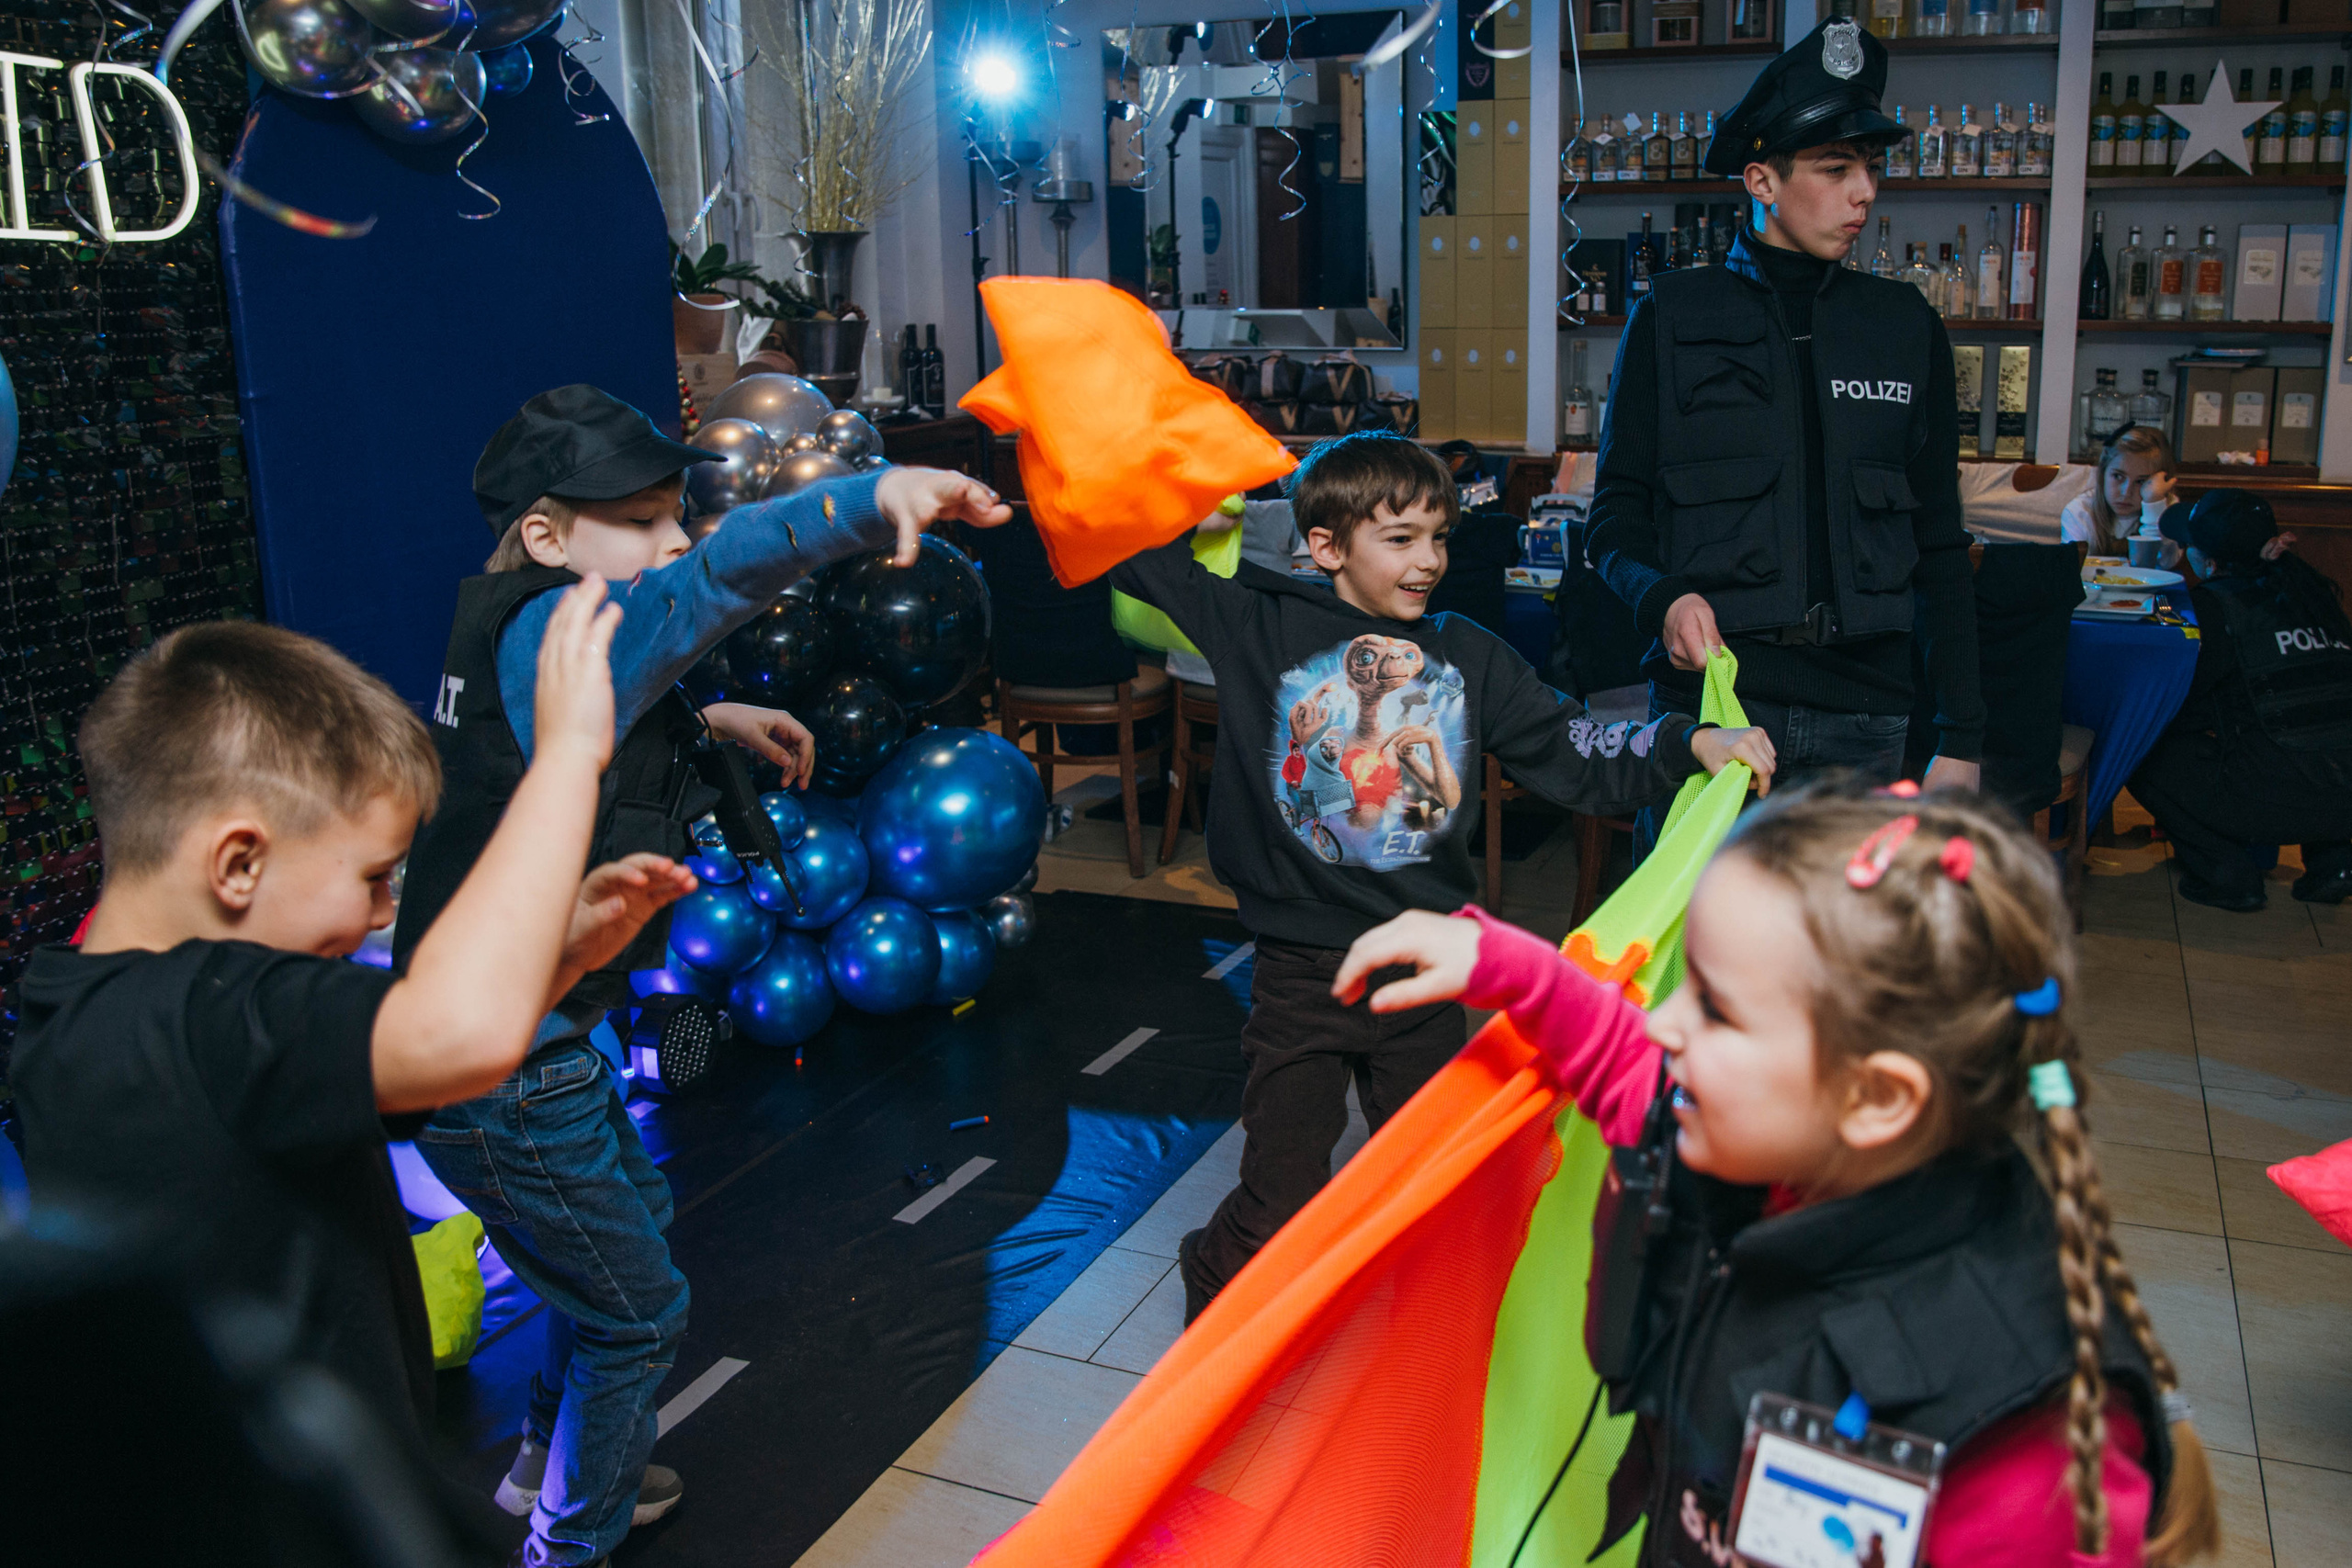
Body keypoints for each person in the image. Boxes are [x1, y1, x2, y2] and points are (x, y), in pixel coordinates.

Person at [392, 384, 1009, 1567]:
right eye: (640, 520)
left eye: (675, 511)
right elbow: (723, 572)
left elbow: (570, 724)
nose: (673, 537)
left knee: (622, 1246)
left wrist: (709, 718)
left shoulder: (522, 626)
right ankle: (570, 1542)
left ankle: (544, 1463)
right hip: (510, 1071)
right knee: (638, 1313)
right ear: (545, 534)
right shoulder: (564, 626)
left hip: (520, 1041)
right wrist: (874, 494)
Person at [1333, 784, 2222, 1568]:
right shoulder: (1762, 1144)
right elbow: (1626, 1061)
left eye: (1716, 1008)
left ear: (1875, 1096)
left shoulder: (2025, 1452)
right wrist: (1504, 964)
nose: (1666, 1023)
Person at [7, 590, 693, 1466]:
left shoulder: (89, 1009)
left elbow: (434, 1065)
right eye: (372, 877)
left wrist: (552, 960)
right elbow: (460, 1035)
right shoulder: (209, 1013)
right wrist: (565, 760)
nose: (380, 912)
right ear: (238, 862)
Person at [1105, 430, 1776, 1322]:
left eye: (1438, 537)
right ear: (1326, 546)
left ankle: (1415, 1340)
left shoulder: (1470, 655)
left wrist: (1688, 741)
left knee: (1430, 1185)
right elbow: (1133, 559)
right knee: (1282, 1201)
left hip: (1427, 973)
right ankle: (1214, 1296)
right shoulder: (1260, 623)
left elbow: (1573, 749)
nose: (1428, 560)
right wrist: (1183, 488)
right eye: (1400, 538)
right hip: (1301, 975)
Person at [1585, 17, 1984, 859]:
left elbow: (1941, 544)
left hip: (1867, 724)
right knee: (1696, 936)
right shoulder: (1672, 314)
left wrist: (1963, 735)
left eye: (1870, 167)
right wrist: (1664, 599)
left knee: (1844, 945)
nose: (1864, 192)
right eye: (1836, 169)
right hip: (1719, 713)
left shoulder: (1904, 325)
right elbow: (1614, 518)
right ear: (1762, 179)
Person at [2130, 489, 2352, 911]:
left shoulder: (2217, 606)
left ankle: (2225, 872)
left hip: (2278, 797)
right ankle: (2334, 862)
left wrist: (2158, 598)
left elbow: (2182, 703)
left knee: (2143, 745)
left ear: (2208, 561)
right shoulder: (2313, 591)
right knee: (2321, 731)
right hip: (2345, 793)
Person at [2062, 426, 2178, 557]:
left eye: (2141, 481)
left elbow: (2165, 562)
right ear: (2103, 473)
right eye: (2118, 476)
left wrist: (2154, 505)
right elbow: (2074, 565)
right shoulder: (2080, 512)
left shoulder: (2168, 507)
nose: (2126, 492)